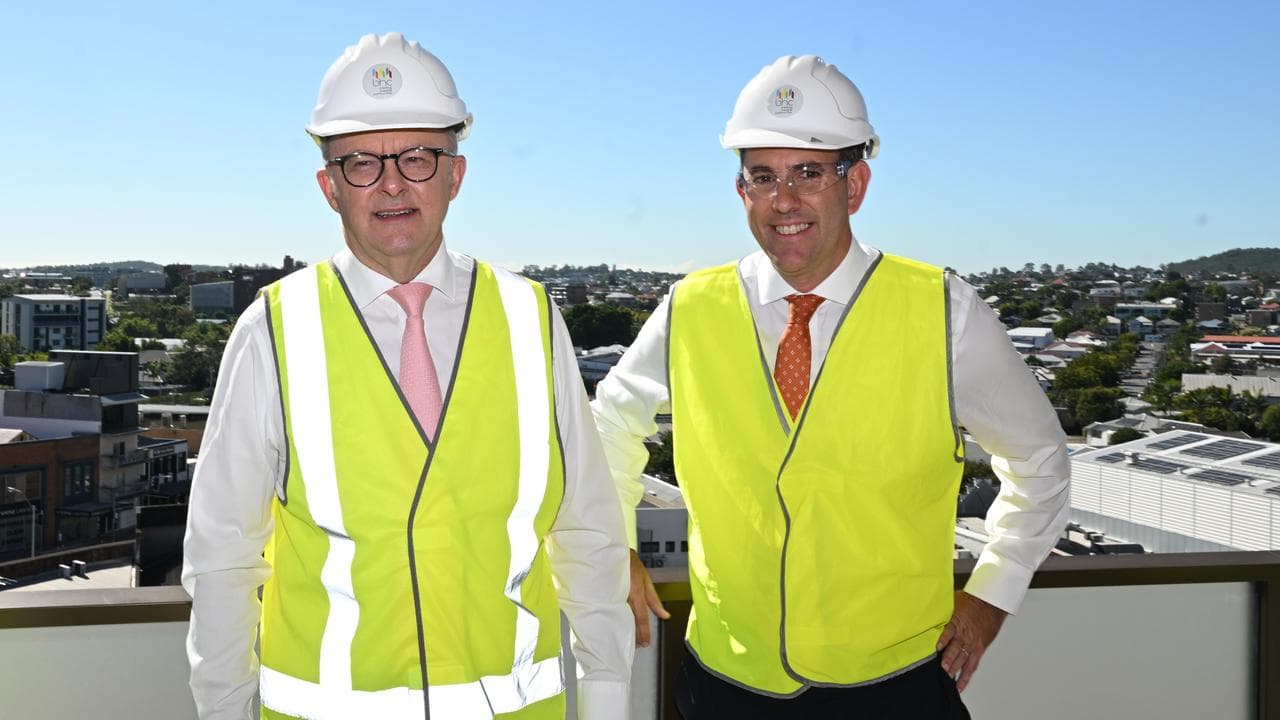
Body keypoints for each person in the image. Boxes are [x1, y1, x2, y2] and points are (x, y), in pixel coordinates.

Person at [592, 55, 1070, 719]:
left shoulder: (943, 309)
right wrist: (611, 551)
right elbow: (607, 428)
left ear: (857, 184)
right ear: (742, 192)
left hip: (894, 687)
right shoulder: (689, 309)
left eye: (808, 173)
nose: (783, 199)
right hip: (726, 684)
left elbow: (1042, 461)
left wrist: (995, 589)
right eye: (763, 176)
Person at [182, 33, 633, 720]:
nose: (392, 184)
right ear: (329, 187)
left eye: (417, 158)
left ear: (455, 175)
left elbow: (588, 530)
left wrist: (606, 701)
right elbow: (222, 561)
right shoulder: (272, 332)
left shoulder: (531, 318)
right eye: (362, 162)